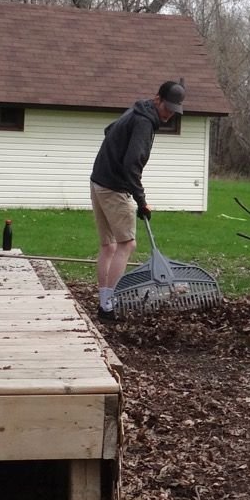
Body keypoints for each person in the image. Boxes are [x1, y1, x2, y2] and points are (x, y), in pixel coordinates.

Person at [90, 79, 186, 322]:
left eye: (174, 112)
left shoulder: (135, 111)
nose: (168, 116)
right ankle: (108, 306)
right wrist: (141, 200)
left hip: (98, 181)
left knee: (108, 246)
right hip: (112, 188)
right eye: (167, 109)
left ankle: (105, 303)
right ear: (158, 100)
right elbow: (132, 163)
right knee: (127, 245)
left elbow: (109, 131)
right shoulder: (144, 121)